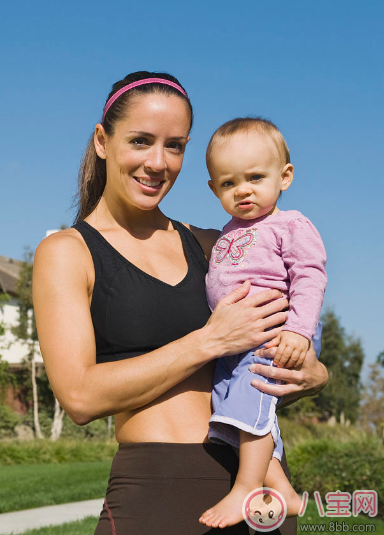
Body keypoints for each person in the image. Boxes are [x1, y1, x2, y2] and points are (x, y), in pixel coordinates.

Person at [32, 71, 329, 535]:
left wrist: (313, 373)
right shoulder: (68, 252)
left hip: (258, 488)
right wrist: (207, 341)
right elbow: (79, 396)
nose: (158, 162)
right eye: (141, 140)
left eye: (175, 146)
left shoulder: (216, 246)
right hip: (158, 489)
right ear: (102, 141)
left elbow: (276, 335)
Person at [199, 117, 326, 529]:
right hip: (238, 342)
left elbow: (309, 276)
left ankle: (246, 488)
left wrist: (298, 332)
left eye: (255, 177)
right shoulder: (227, 233)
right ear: (214, 189)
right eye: (229, 183)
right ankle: (283, 492)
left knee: (250, 399)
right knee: (230, 410)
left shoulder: (290, 224)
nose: (243, 190)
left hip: (277, 334)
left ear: (284, 176)